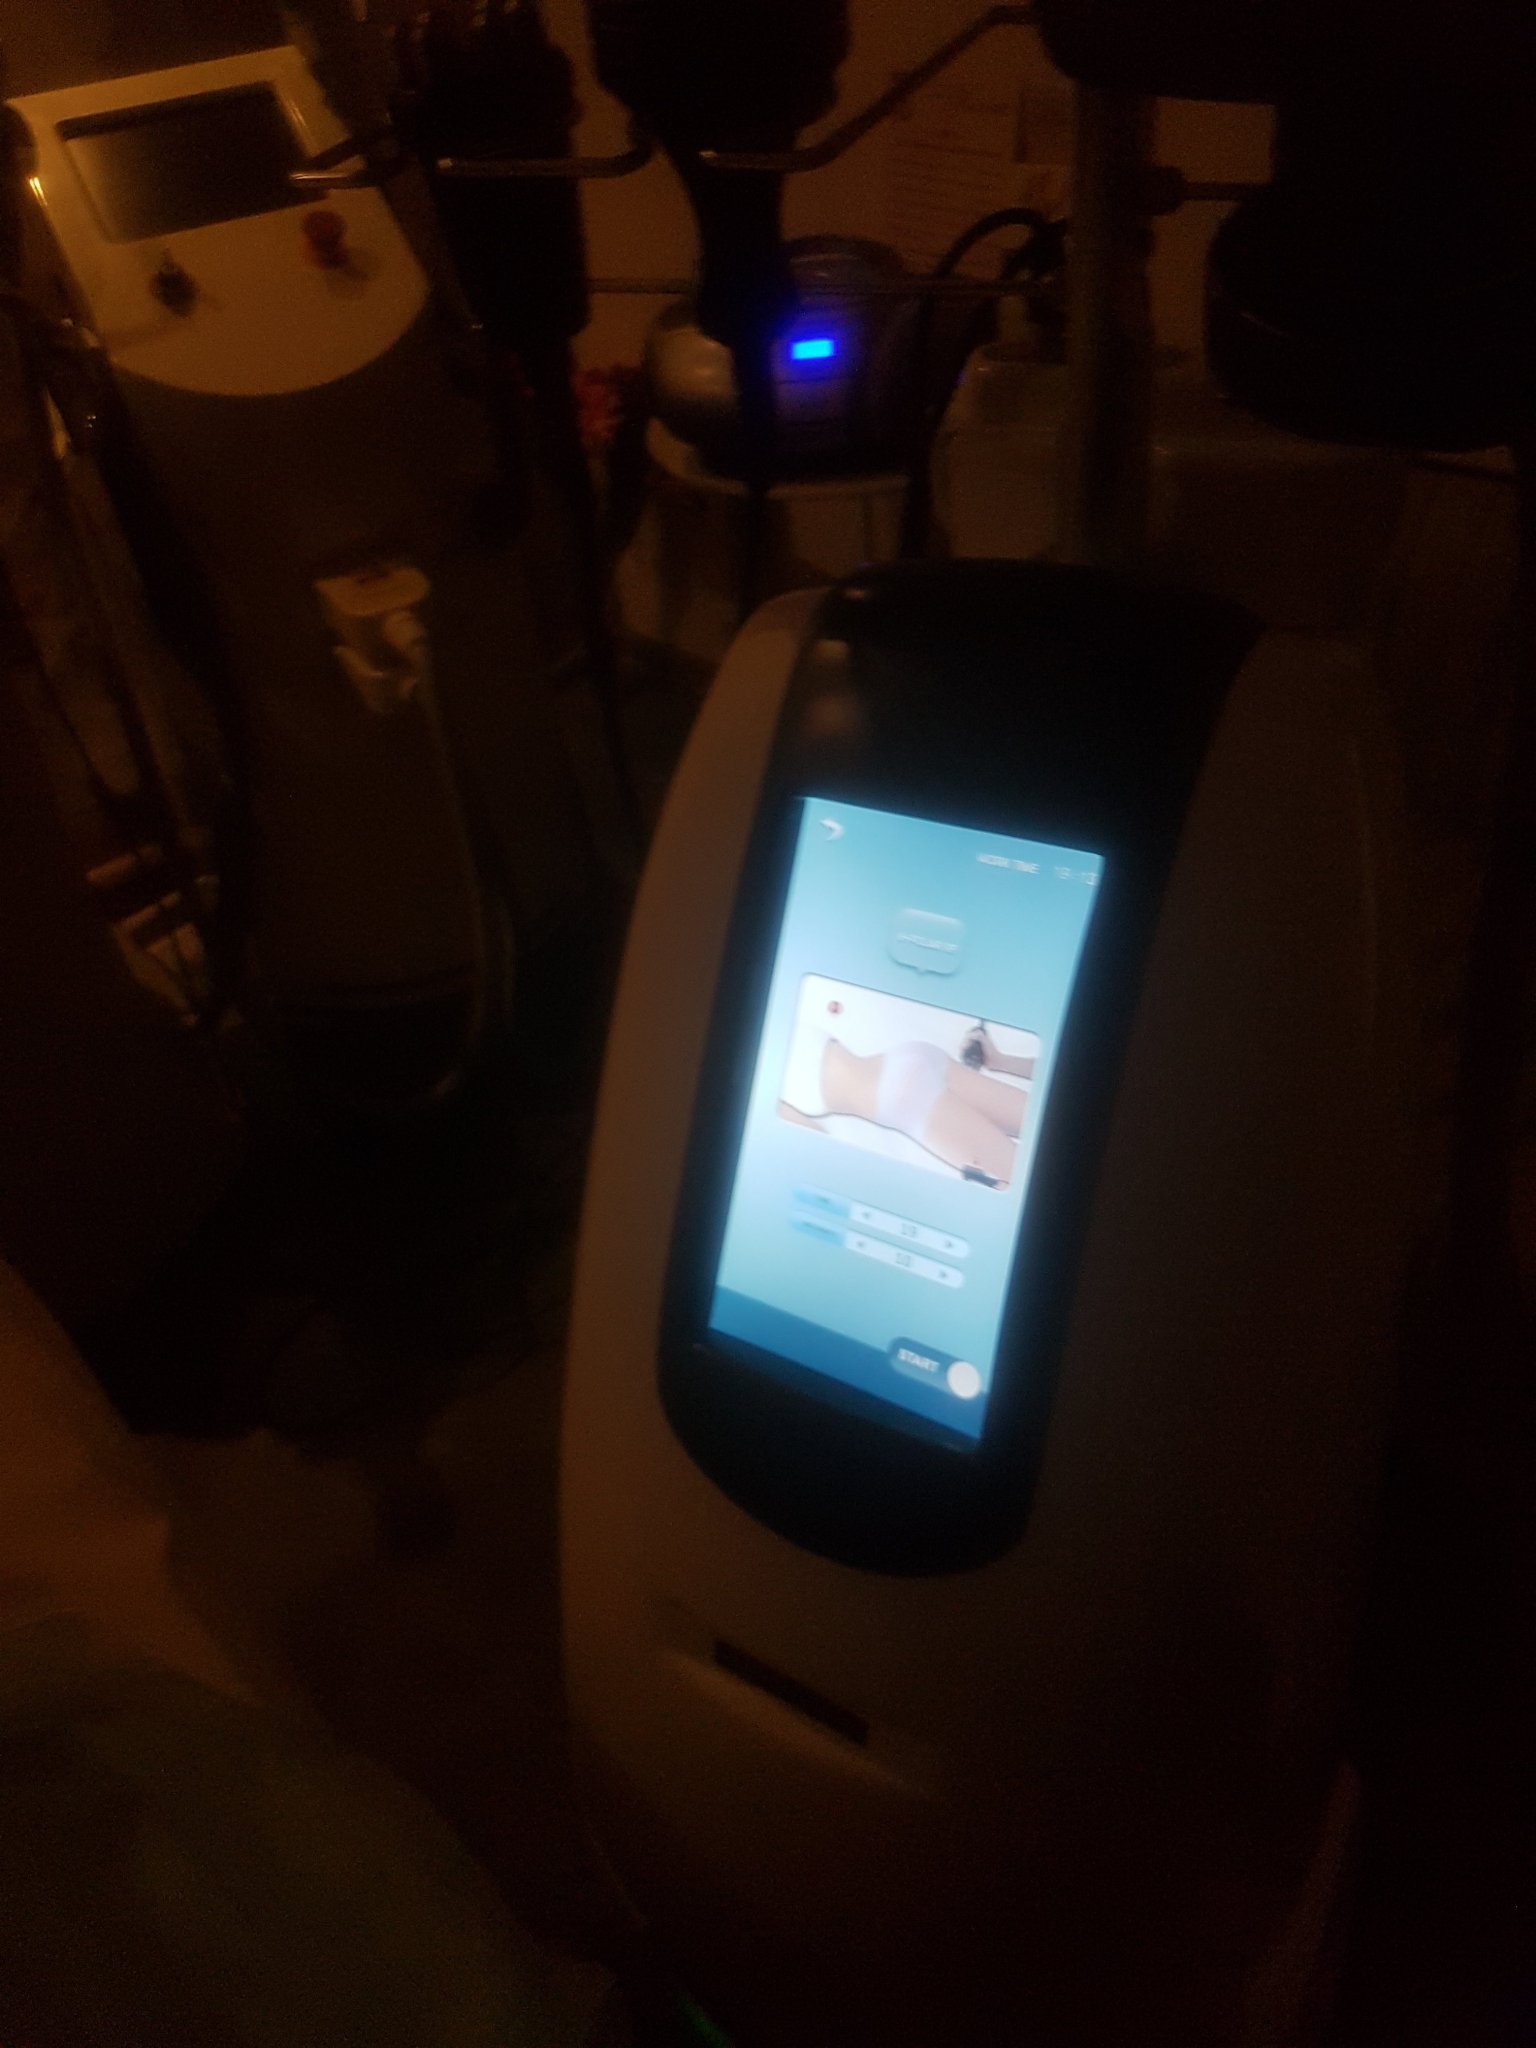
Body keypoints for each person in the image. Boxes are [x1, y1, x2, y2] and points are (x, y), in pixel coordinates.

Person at [779, 1021, 1033, 1187]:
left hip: (902, 1097)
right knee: (1044, 1129)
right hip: (909, 1057)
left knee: (1024, 1181)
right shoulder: (778, 1015)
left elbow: (812, 1143)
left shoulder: (766, 1086)